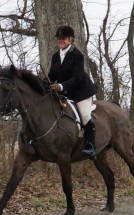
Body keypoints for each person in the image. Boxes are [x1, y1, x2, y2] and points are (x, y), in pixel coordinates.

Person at [48, 25, 97, 158]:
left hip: (81, 92)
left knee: (85, 115)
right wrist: (44, 83)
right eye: (59, 38)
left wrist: (61, 86)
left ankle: (90, 146)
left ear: (71, 39)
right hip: (66, 92)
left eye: (63, 38)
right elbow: (51, 75)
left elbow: (77, 77)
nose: (61, 40)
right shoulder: (55, 56)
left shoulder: (77, 54)